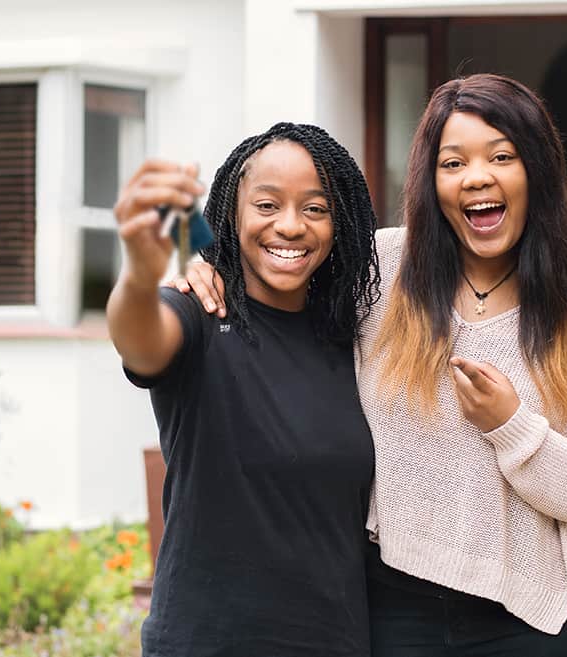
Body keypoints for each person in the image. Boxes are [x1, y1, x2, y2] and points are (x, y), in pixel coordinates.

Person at [177, 74, 567, 656]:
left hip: (540, 617)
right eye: (453, 163)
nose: (477, 176)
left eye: (502, 156)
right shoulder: (377, 273)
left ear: (536, 172)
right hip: (394, 615)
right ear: (433, 181)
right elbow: (282, 271)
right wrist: (213, 269)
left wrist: (516, 429)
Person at [107, 122, 381, 657]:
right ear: (232, 215)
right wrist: (140, 273)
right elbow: (138, 342)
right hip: (207, 643)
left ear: (339, 223)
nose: (290, 226)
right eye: (267, 205)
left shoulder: (354, 335)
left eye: (315, 209)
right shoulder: (200, 313)